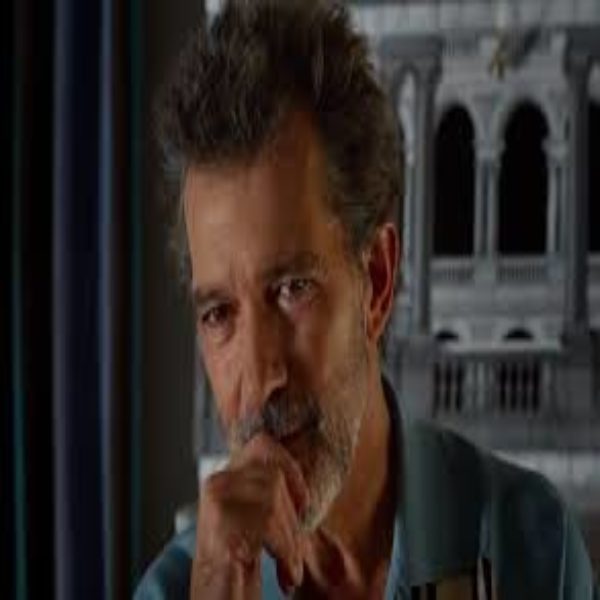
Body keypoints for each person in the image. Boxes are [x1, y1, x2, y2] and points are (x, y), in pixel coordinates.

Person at [135, 0, 598, 598]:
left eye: (292, 289)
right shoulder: (173, 591)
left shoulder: (535, 549)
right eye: (219, 313)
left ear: (376, 281)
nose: (261, 377)